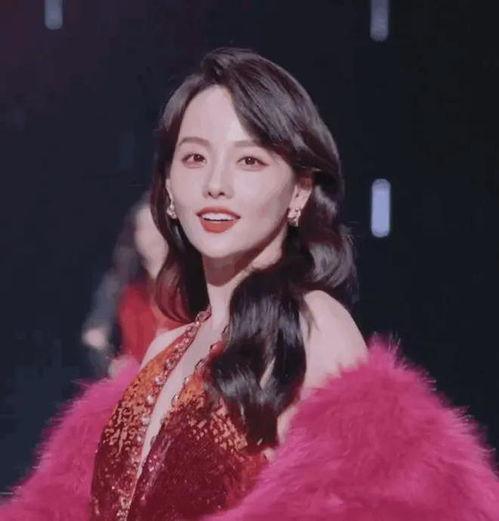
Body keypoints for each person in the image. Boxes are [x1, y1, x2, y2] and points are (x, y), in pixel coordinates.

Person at [1, 48, 499, 521]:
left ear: (300, 190)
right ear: (169, 188)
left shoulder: (309, 325)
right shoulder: (165, 348)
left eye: (250, 160)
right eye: (195, 158)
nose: (216, 183)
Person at [81, 191, 182, 375]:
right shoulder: (120, 285)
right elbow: (93, 337)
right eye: (144, 228)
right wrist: (111, 365)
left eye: (157, 225)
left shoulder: (198, 280)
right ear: (134, 235)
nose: (153, 235)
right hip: (137, 382)